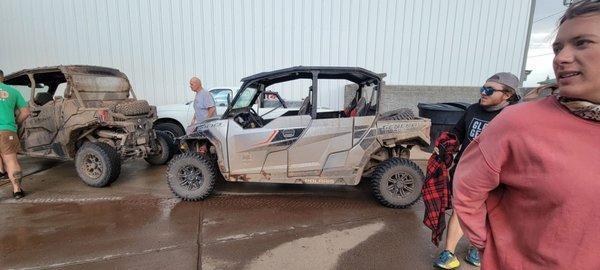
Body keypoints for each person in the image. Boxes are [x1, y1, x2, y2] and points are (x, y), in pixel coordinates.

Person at [453, 1, 600, 268]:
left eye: (581, 43)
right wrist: (496, 249)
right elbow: (466, 190)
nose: (560, 58)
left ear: (507, 95)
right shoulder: (513, 121)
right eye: (557, 48)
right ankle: (450, 252)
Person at [433, 72, 520, 269]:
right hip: (468, 173)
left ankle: (476, 248)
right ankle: (448, 254)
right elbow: (458, 133)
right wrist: (446, 144)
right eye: (482, 88)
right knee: (461, 210)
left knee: (490, 213)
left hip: (499, 178)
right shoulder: (472, 110)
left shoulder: (514, 117)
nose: (483, 92)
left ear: (507, 95)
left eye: (489, 90)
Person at [0, 69, 31, 199]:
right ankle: (17, 191)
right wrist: (15, 124)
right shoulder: (13, 91)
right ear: (2, 78)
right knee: (11, 161)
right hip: (8, 131)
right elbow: (25, 112)